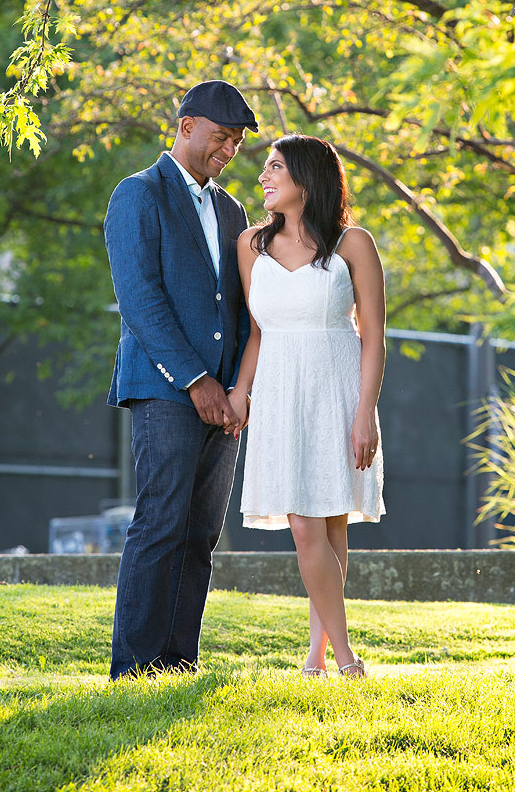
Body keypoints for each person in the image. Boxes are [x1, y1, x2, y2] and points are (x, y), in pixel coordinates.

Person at [104, 80, 258, 679]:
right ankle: (133, 668)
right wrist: (198, 381)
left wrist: (238, 390)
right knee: (161, 523)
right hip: (167, 390)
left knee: (200, 534)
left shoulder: (232, 211)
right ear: (187, 125)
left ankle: (176, 662)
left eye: (238, 141)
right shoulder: (137, 195)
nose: (229, 149)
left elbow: (244, 307)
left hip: (225, 401)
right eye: (222, 136)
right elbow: (140, 302)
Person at [230, 135, 386, 679]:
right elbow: (255, 333)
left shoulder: (353, 244)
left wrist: (364, 414)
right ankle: (342, 658)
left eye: (274, 167)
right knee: (305, 526)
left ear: (307, 177)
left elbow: (373, 338)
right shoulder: (249, 244)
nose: (263, 177)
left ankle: (323, 657)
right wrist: (239, 393)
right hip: (278, 391)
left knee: (331, 525)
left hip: (337, 389)